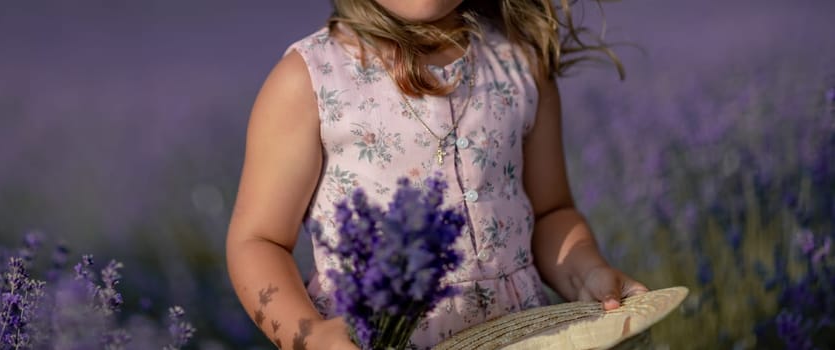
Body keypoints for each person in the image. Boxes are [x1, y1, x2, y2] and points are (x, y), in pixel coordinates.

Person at [226, 1, 649, 349]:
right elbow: (258, 240)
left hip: (520, 333)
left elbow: (551, 212)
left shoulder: (519, 65)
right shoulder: (311, 78)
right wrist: (310, 335)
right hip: (377, 338)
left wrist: (587, 273)